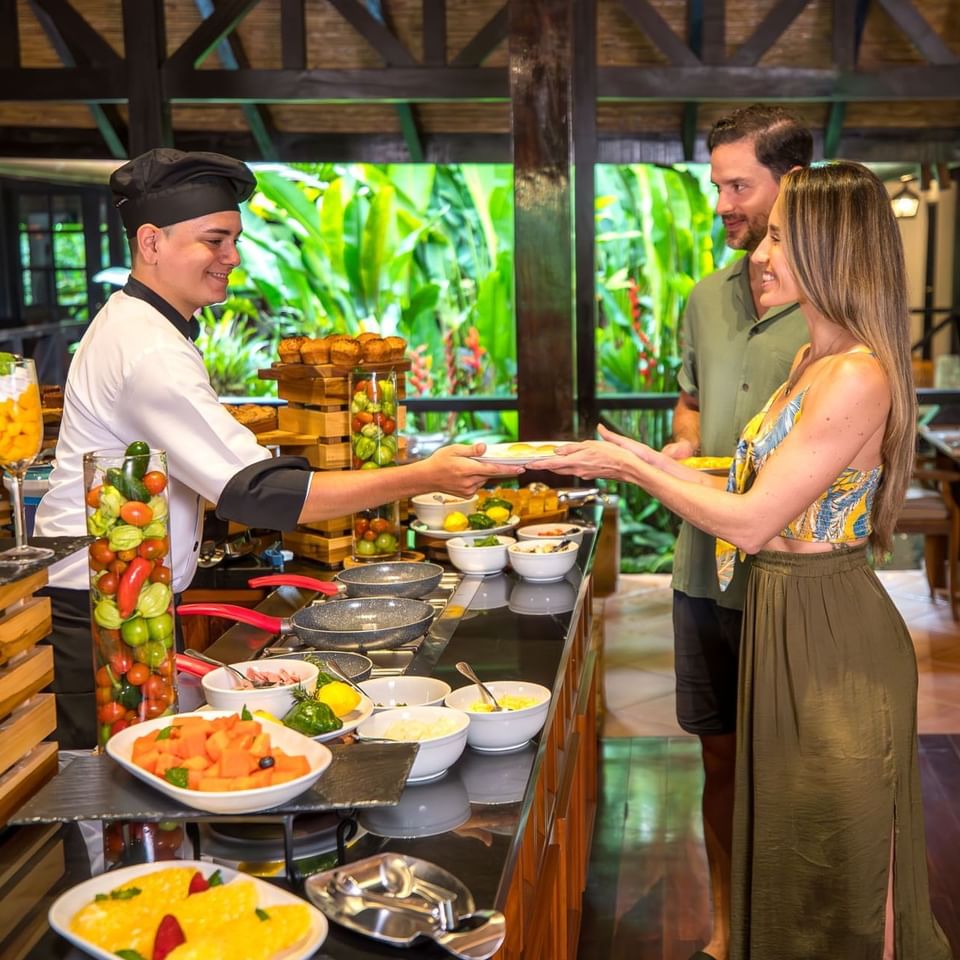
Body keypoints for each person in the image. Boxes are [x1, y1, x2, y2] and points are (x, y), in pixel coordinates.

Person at [532, 162, 953, 959]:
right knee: (797, 835)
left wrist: (632, 473)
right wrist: (645, 459)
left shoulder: (859, 373)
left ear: (834, 249)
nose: (762, 252)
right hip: (782, 614)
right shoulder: (811, 363)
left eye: (783, 237)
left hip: (830, 630)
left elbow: (755, 522)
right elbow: (756, 477)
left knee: (852, 851)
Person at [35, 148, 521, 748]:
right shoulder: (148, 350)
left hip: (125, 589)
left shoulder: (146, 328)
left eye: (234, 240)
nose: (232, 258)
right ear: (151, 242)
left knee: (142, 768)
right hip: (101, 605)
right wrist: (422, 475)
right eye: (214, 240)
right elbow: (256, 493)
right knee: (112, 787)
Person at [661, 104, 812, 960]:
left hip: (791, 576)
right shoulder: (702, 299)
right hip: (700, 573)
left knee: (790, 772)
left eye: (737, 185)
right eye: (715, 184)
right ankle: (726, 929)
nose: (722, 203)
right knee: (718, 762)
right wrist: (677, 450)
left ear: (791, 185)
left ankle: (790, 934)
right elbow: (694, 412)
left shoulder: (836, 306)